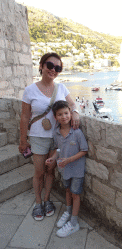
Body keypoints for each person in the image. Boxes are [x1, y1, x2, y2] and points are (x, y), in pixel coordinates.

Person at [19, 52, 80, 221]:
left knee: (51, 171)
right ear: (41, 66)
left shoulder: (61, 88)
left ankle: (47, 200)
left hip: (57, 137)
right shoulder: (30, 90)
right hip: (38, 137)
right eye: (50, 66)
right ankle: (38, 203)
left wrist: (74, 112)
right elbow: (25, 117)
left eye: (58, 68)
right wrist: (23, 140)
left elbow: (72, 103)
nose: (54, 70)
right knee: (39, 172)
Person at [46, 100, 88, 237]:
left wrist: (69, 160)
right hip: (64, 170)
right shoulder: (56, 132)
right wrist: (53, 158)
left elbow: (84, 150)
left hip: (76, 170)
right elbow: (58, 149)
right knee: (68, 190)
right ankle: (68, 212)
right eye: (60, 114)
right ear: (55, 117)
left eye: (66, 113)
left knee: (75, 194)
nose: (64, 117)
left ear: (71, 113)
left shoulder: (76, 132)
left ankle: (74, 223)